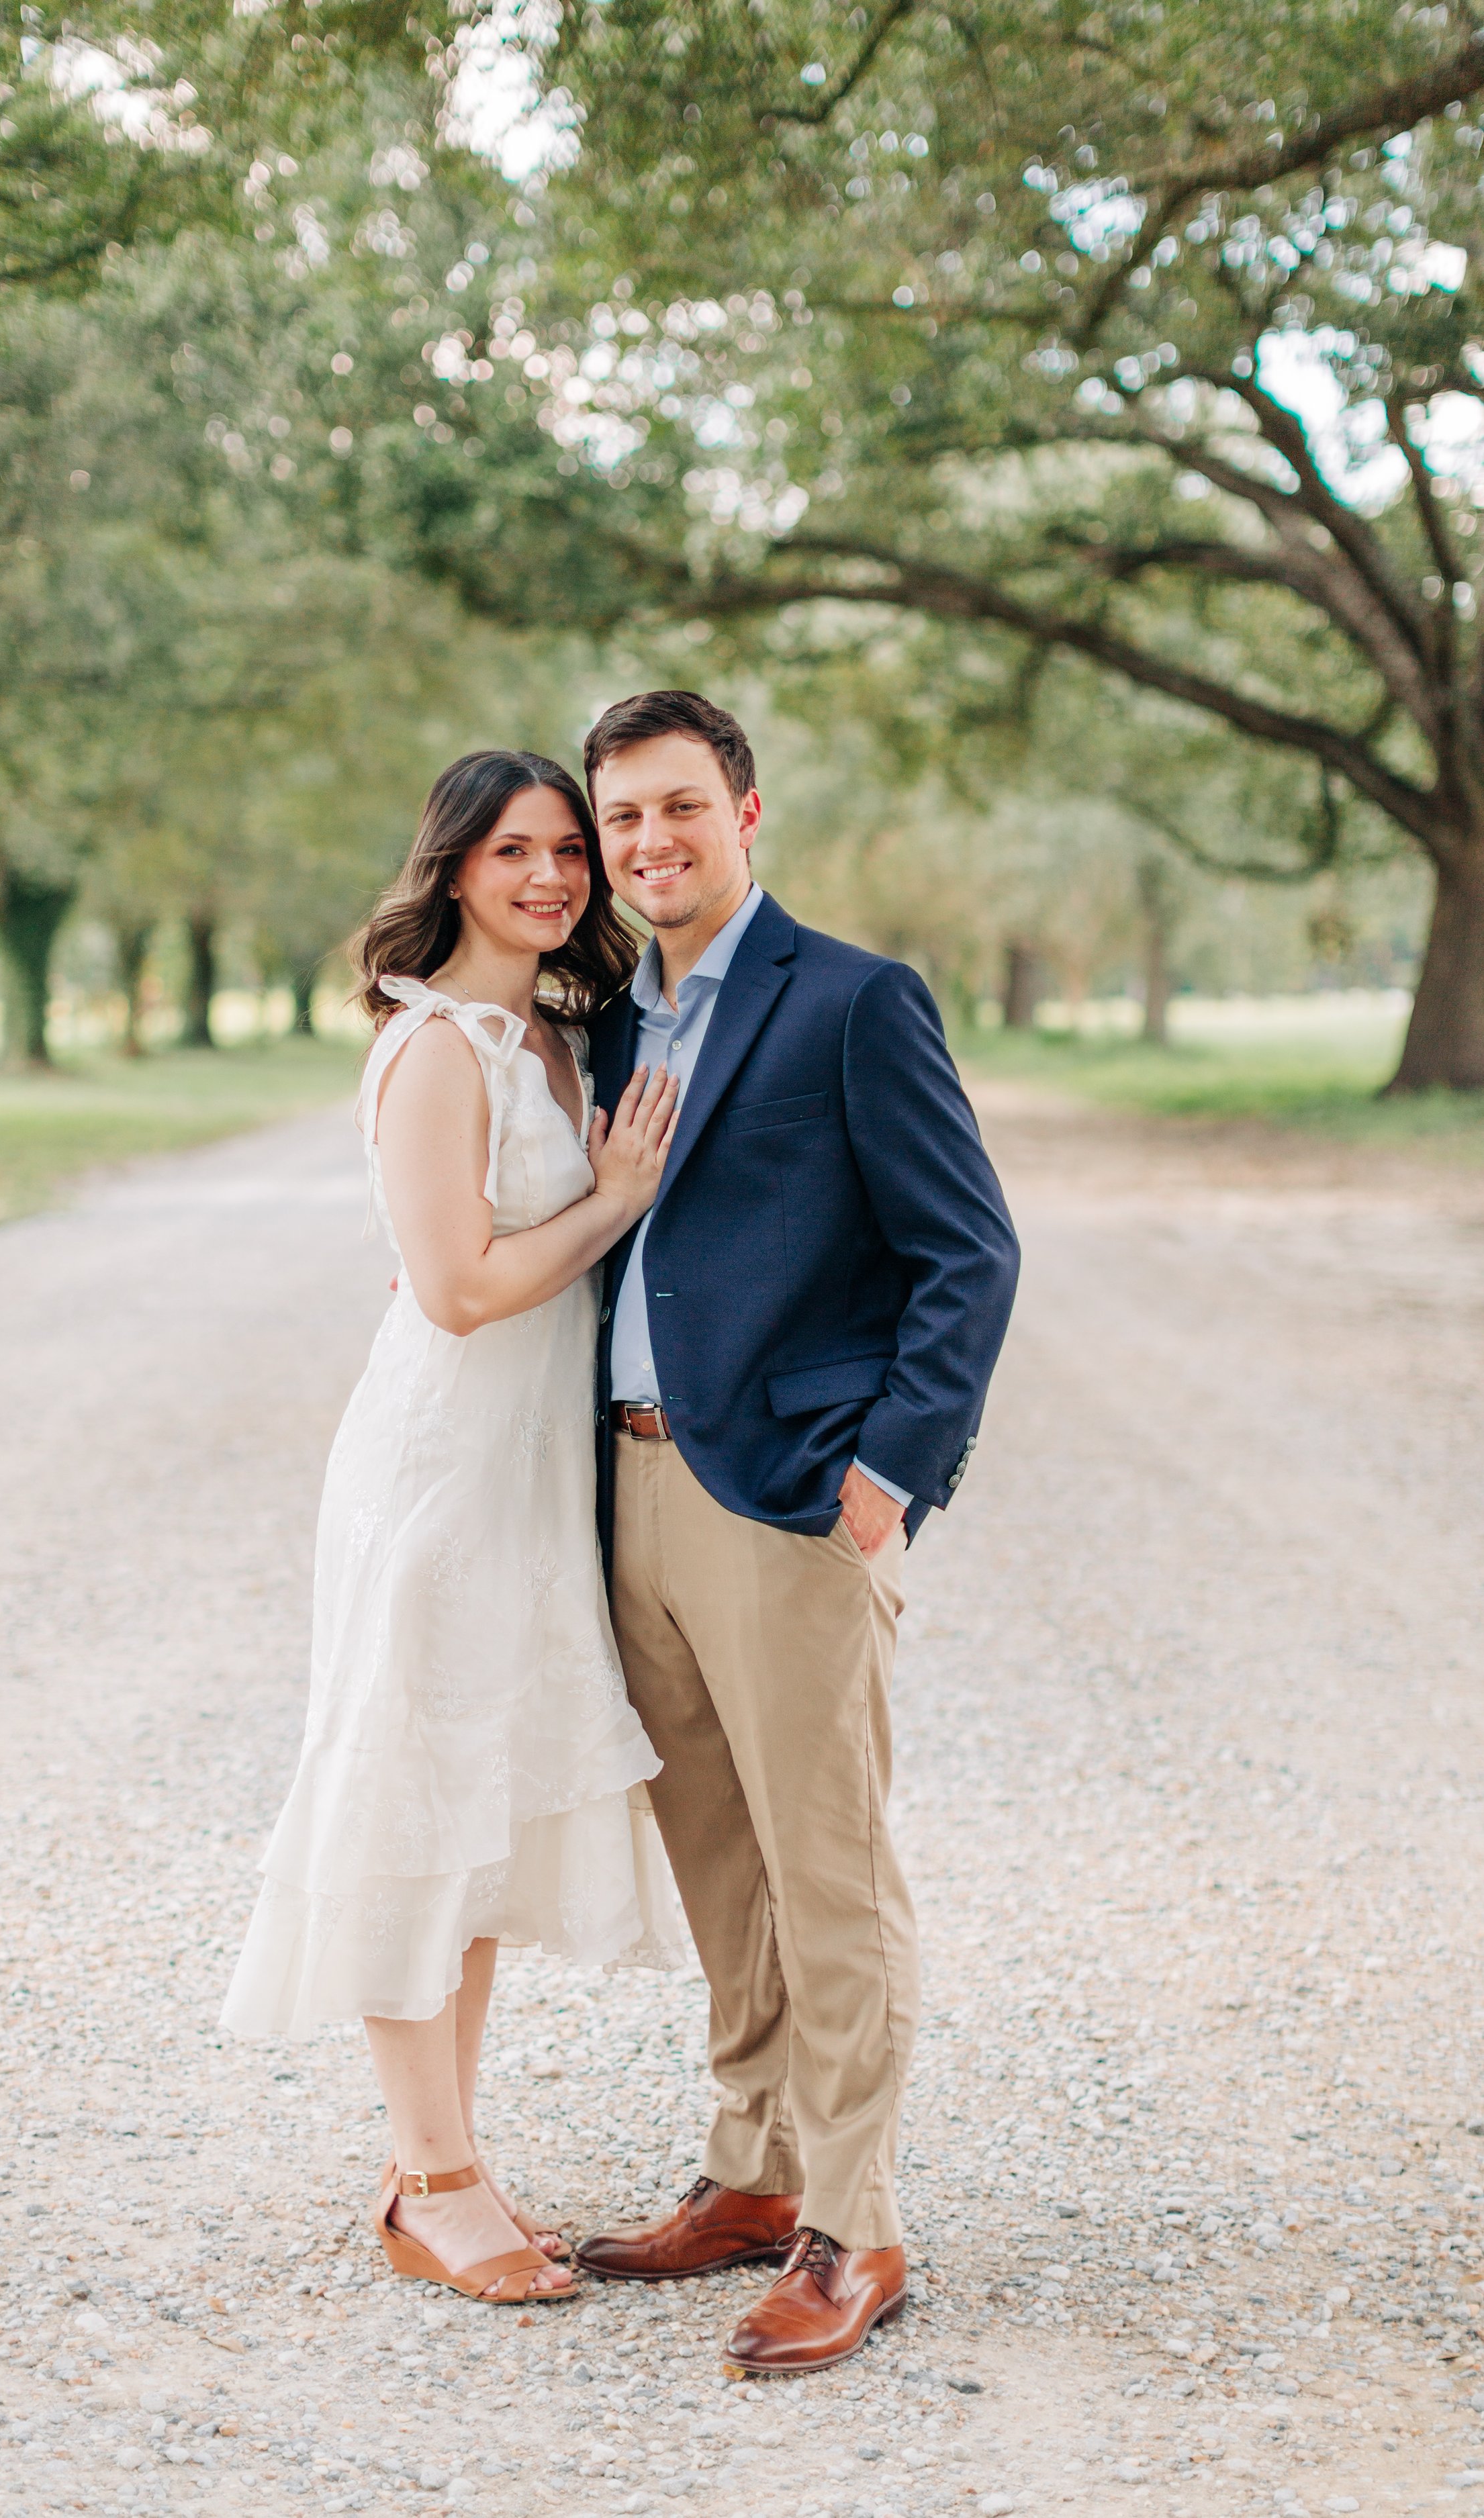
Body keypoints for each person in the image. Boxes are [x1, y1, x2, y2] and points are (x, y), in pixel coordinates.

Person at [573, 691, 1021, 2374]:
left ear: (744, 813)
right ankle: (753, 2174)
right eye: (623, 816)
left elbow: (967, 1252)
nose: (649, 841)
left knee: (826, 1870)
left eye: (679, 806)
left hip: (785, 1501)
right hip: (629, 1491)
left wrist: (887, 1474)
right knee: (719, 1866)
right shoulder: (604, 1022)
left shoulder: (849, 1000)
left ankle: (856, 2223)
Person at [220, 749, 683, 2306]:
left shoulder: (552, 1032)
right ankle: (429, 2182)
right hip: (439, 1473)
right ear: (453, 868)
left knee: (470, 1810)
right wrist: (613, 1197)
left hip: (527, 1473)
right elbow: (458, 1288)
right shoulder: (432, 1048)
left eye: (568, 851)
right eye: (511, 852)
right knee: (414, 1808)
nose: (551, 877)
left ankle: (449, 2163)